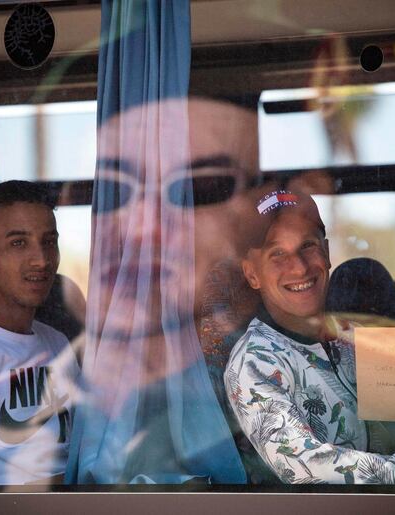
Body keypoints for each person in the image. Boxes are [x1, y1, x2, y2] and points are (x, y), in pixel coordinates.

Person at [67, 97, 263, 484]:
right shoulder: (98, 373)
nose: (146, 227)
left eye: (202, 188)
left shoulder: (250, 348)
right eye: (114, 191)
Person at [224, 189, 395, 484]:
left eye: (307, 246)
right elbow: (301, 464)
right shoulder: (254, 362)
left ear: (325, 252)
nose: (299, 267)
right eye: (278, 254)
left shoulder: (360, 335)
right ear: (251, 274)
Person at [0, 180, 80, 485]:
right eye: (19, 243)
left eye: (49, 241)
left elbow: (84, 446)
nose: (42, 260)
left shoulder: (59, 342)